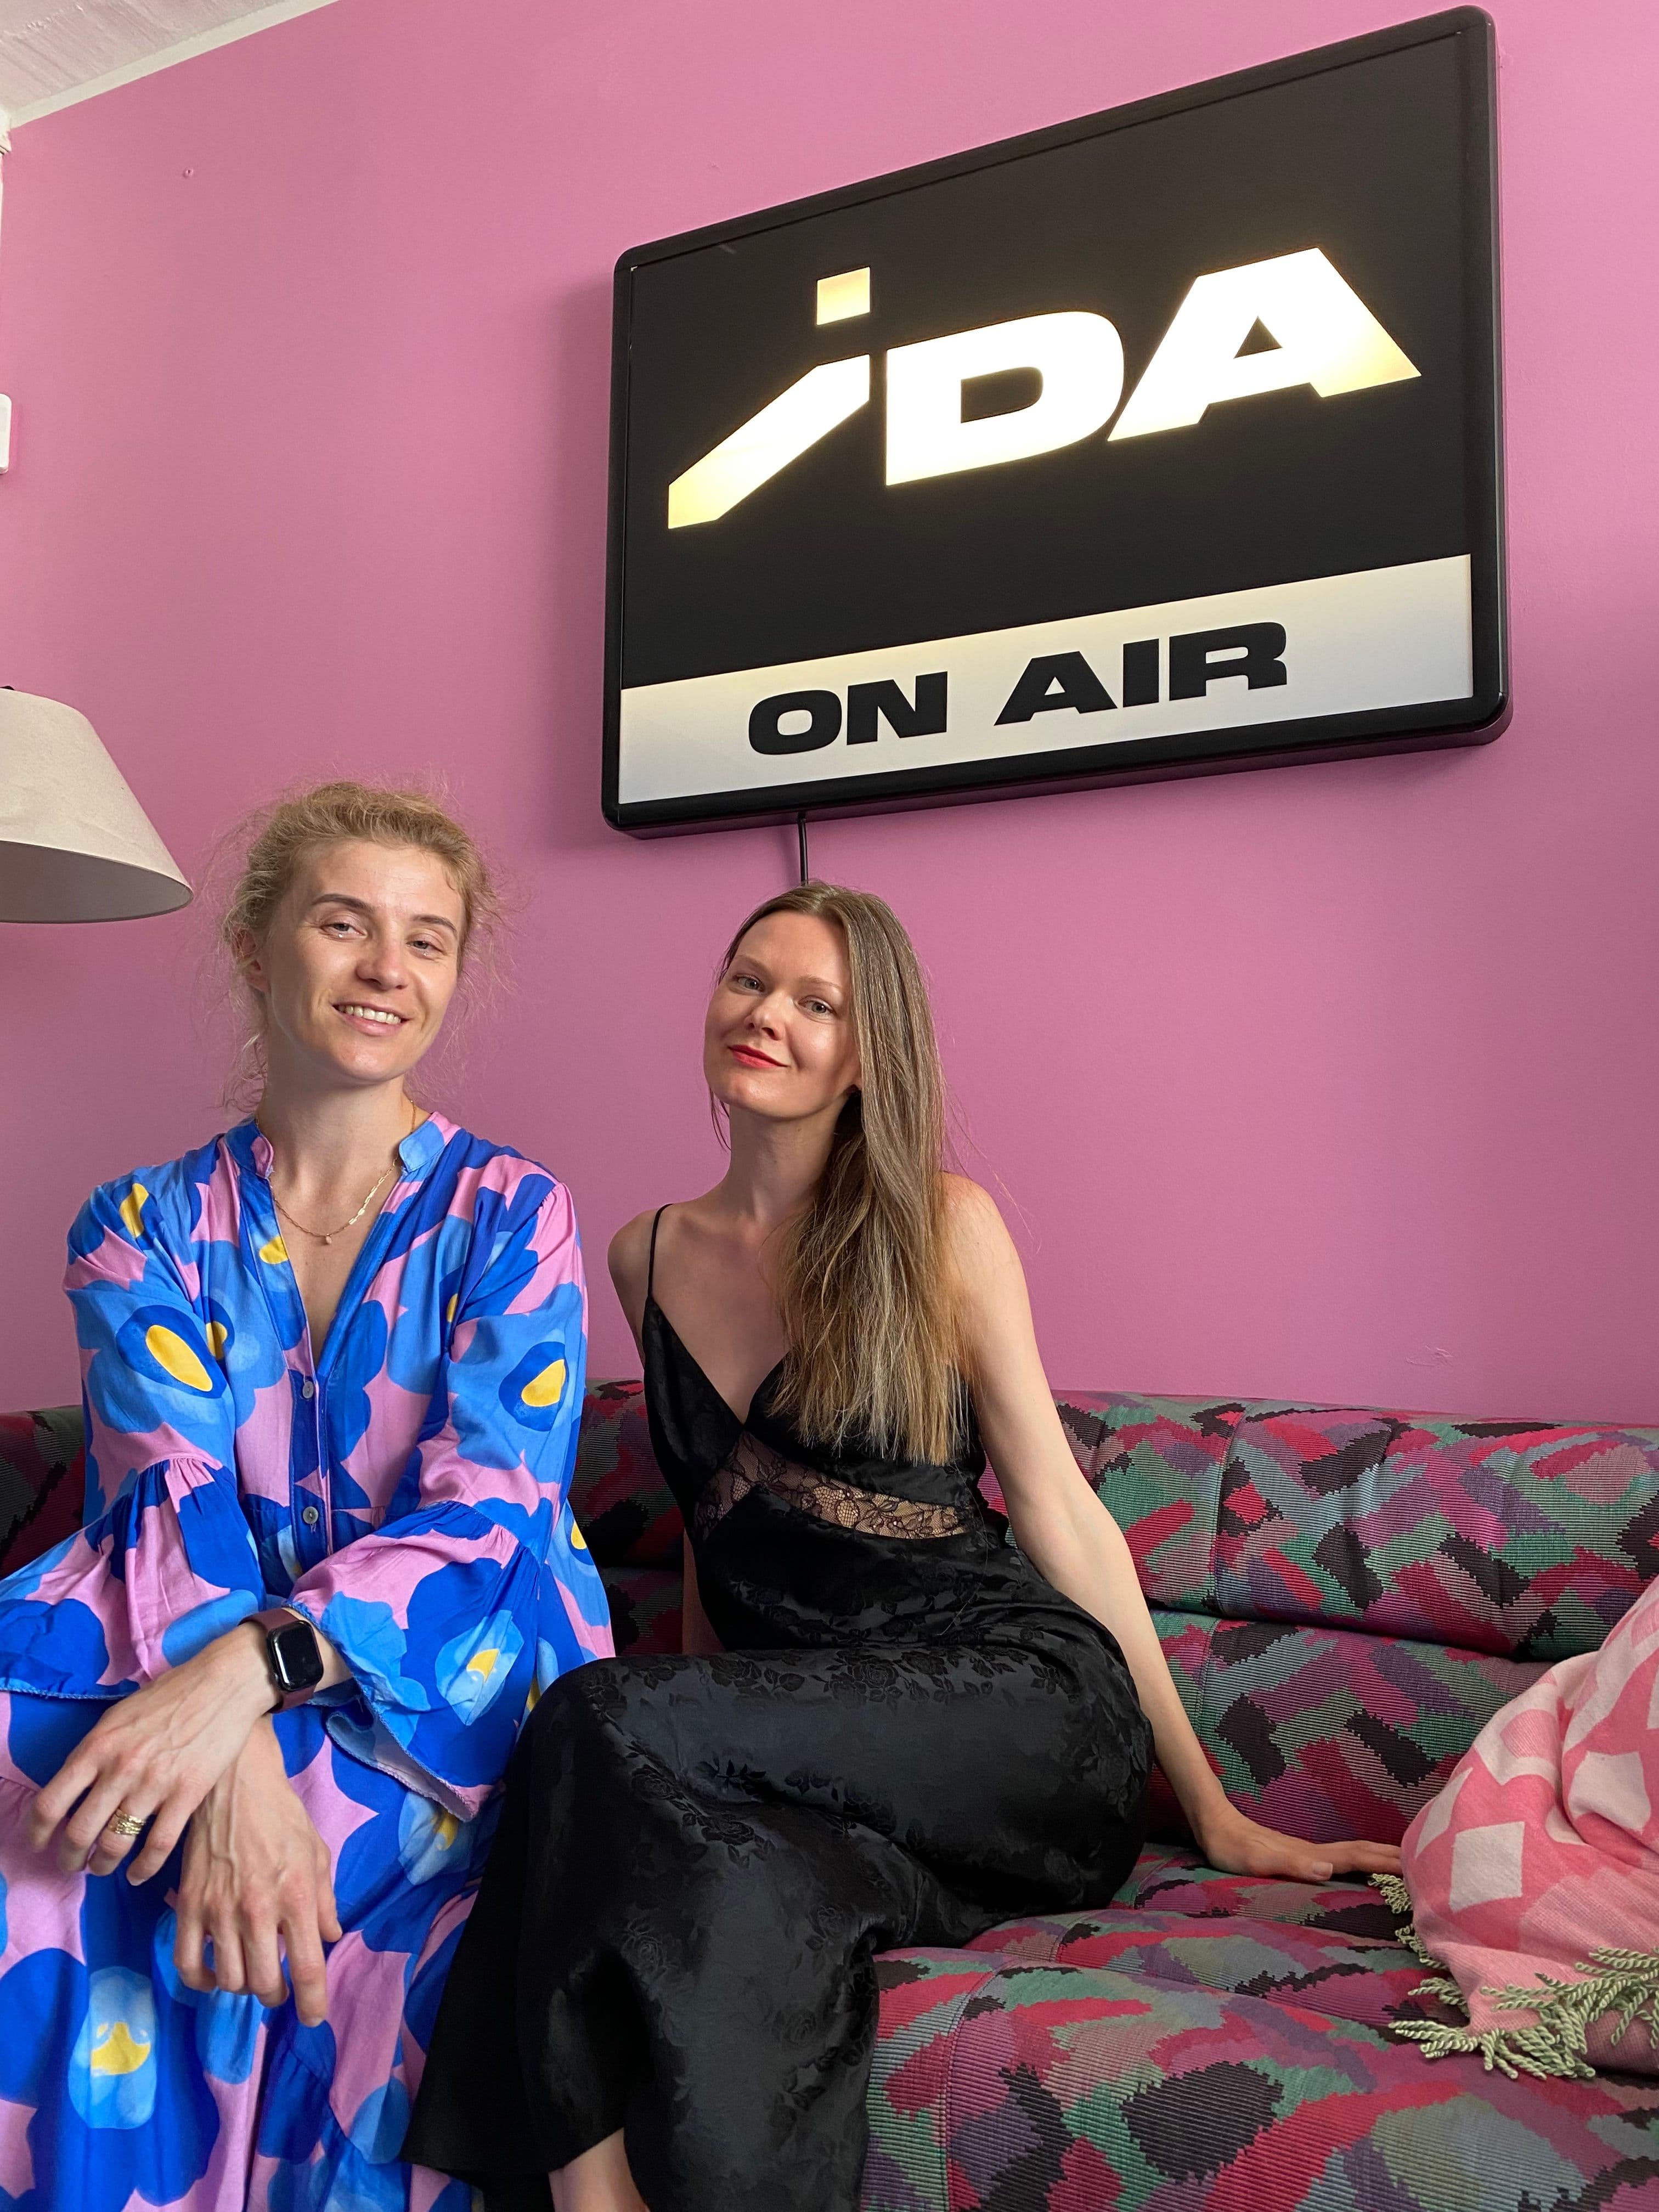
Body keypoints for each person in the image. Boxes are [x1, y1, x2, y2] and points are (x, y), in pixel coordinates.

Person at [405, 882, 1400, 2212]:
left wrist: (1214, 1813)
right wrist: (698, 1745)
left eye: (816, 1003)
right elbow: (714, 1532)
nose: (768, 1014)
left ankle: (576, 2197)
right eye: (749, 979)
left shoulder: (941, 1225)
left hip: (1015, 1710)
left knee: (591, 1713)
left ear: (869, 1054)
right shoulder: (645, 1255)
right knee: (730, 1893)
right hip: (831, 1758)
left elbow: (1059, 1513)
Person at [0, 781, 612, 2212]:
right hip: (176, 1639)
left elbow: (490, 1514)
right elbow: (167, 1499)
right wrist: (224, 1754)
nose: (387, 968)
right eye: (344, 924)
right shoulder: (136, 1225)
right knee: (46, 1817)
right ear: (254, 946)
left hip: (444, 1670)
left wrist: (244, 1700)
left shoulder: (513, 1214)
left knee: (243, 1846)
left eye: (427, 939)